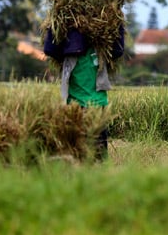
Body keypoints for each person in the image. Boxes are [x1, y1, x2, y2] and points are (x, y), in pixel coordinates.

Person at [43, 25, 125, 160]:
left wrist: (118, 25)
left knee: (98, 154)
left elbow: (118, 51)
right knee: (77, 153)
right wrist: (54, 26)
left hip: (97, 106)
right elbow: (49, 49)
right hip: (75, 107)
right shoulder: (69, 52)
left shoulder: (101, 50)